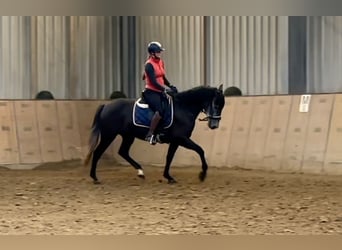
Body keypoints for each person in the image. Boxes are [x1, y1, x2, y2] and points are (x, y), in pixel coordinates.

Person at [142, 41, 176, 145]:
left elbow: (162, 76)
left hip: (159, 91)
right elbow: (153, 81)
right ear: (152, 53)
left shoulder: (160, 62)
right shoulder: (149, 65)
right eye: (158, 52)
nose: (160, 53)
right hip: (151, 92)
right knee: (160, 111)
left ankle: (163, 131)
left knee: (170, 107)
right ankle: (150, 134)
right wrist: (164, 89)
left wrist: (170, 85)